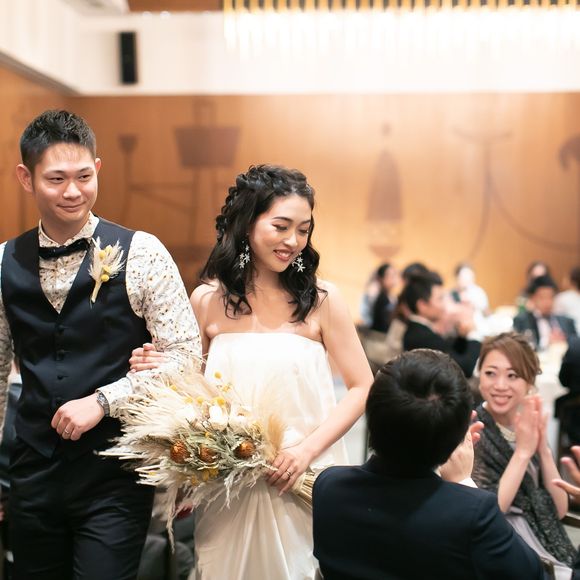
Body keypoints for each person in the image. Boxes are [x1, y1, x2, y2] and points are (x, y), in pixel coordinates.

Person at [130, 164, 374, 580]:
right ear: (247, 224)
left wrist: (304, 453)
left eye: (303, 230)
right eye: (281, 226)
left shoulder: (322, 300)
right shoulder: (207, 300)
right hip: (227, 487)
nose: (293, 241)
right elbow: (188, 387)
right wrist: (156, 365)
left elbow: (362, 386)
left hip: (300, 477)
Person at [0, 110, 202, 579]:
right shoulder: (4, 261)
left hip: (114, 475)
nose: (73, 191)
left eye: (84, 176)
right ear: (26, 178)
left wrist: (104, 400)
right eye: (56, 179)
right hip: (31, 472)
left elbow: (186, 356)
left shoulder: (144, 252)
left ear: (98, 169)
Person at [312, 349, 545, 580]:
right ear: (459, 434)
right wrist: (463, 481)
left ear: (371, 412)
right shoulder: (472, 513)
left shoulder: (329, 486)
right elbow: (531, 574)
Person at [473, 332, 577, 579]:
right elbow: (489, 512)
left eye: (512, 376)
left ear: (529, 381)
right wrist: (522, 453)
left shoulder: (527, 422)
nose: (500, 385)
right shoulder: (473, 429)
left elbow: (559, 510)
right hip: (509, 551)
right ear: (480, 376)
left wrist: (543, 450)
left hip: (550, 547)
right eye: (491, 373)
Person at [401, 270, 481, 377]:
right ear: (422, 305)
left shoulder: (419, 330)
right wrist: (473, 334)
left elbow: (449, 350)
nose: (444, 305)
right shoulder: (420, 337)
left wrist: (462, 336)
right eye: (440, 299)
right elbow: (464, 368)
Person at [514, 275, 577, 351]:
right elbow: (522, 350)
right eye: (542, 297)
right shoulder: (522, 321)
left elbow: (576, 347)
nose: (547, 302)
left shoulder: (567, 321)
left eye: (551, 297)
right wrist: (547, 343)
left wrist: (565, 342)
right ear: (533, 298)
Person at [369, 262, 399, 333]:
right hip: (378, 335)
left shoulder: (392, 297)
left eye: (394, 275)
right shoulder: (380, 297)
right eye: (390, 275)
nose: (393, 278)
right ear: (381, 278)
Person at [555, 266, 580, 334]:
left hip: (573, 334)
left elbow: (555, 319)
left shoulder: (562, 297)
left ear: (572, 281)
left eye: (566, 277)